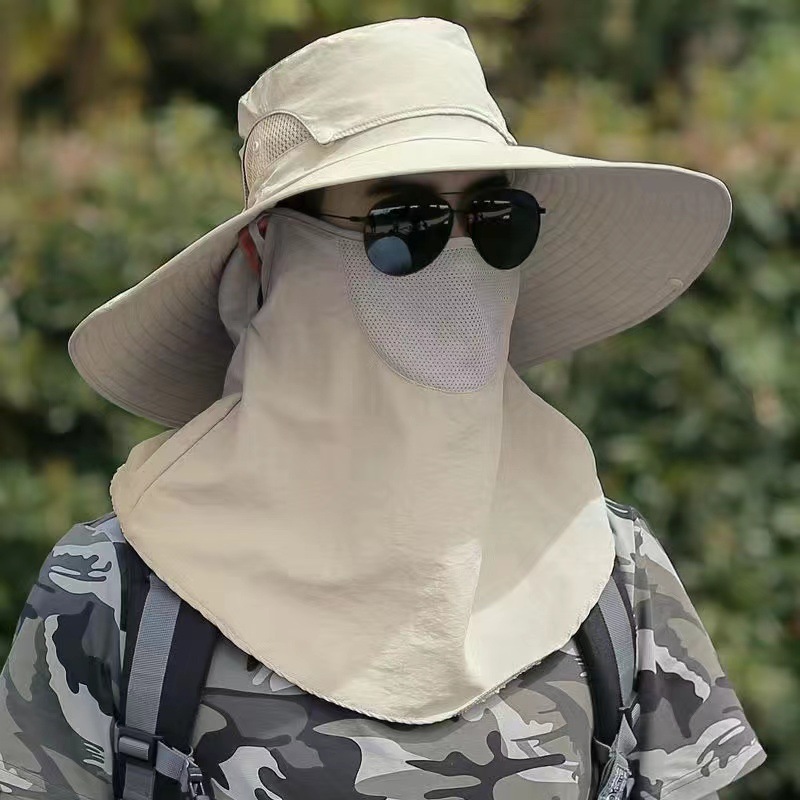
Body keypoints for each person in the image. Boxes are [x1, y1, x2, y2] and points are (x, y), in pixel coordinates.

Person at [0, 16, 767, 800]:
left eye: (494, 218)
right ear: (267, 246)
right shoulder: (118, 590)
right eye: (405, 223)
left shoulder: (611, 570)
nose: (461, 259)